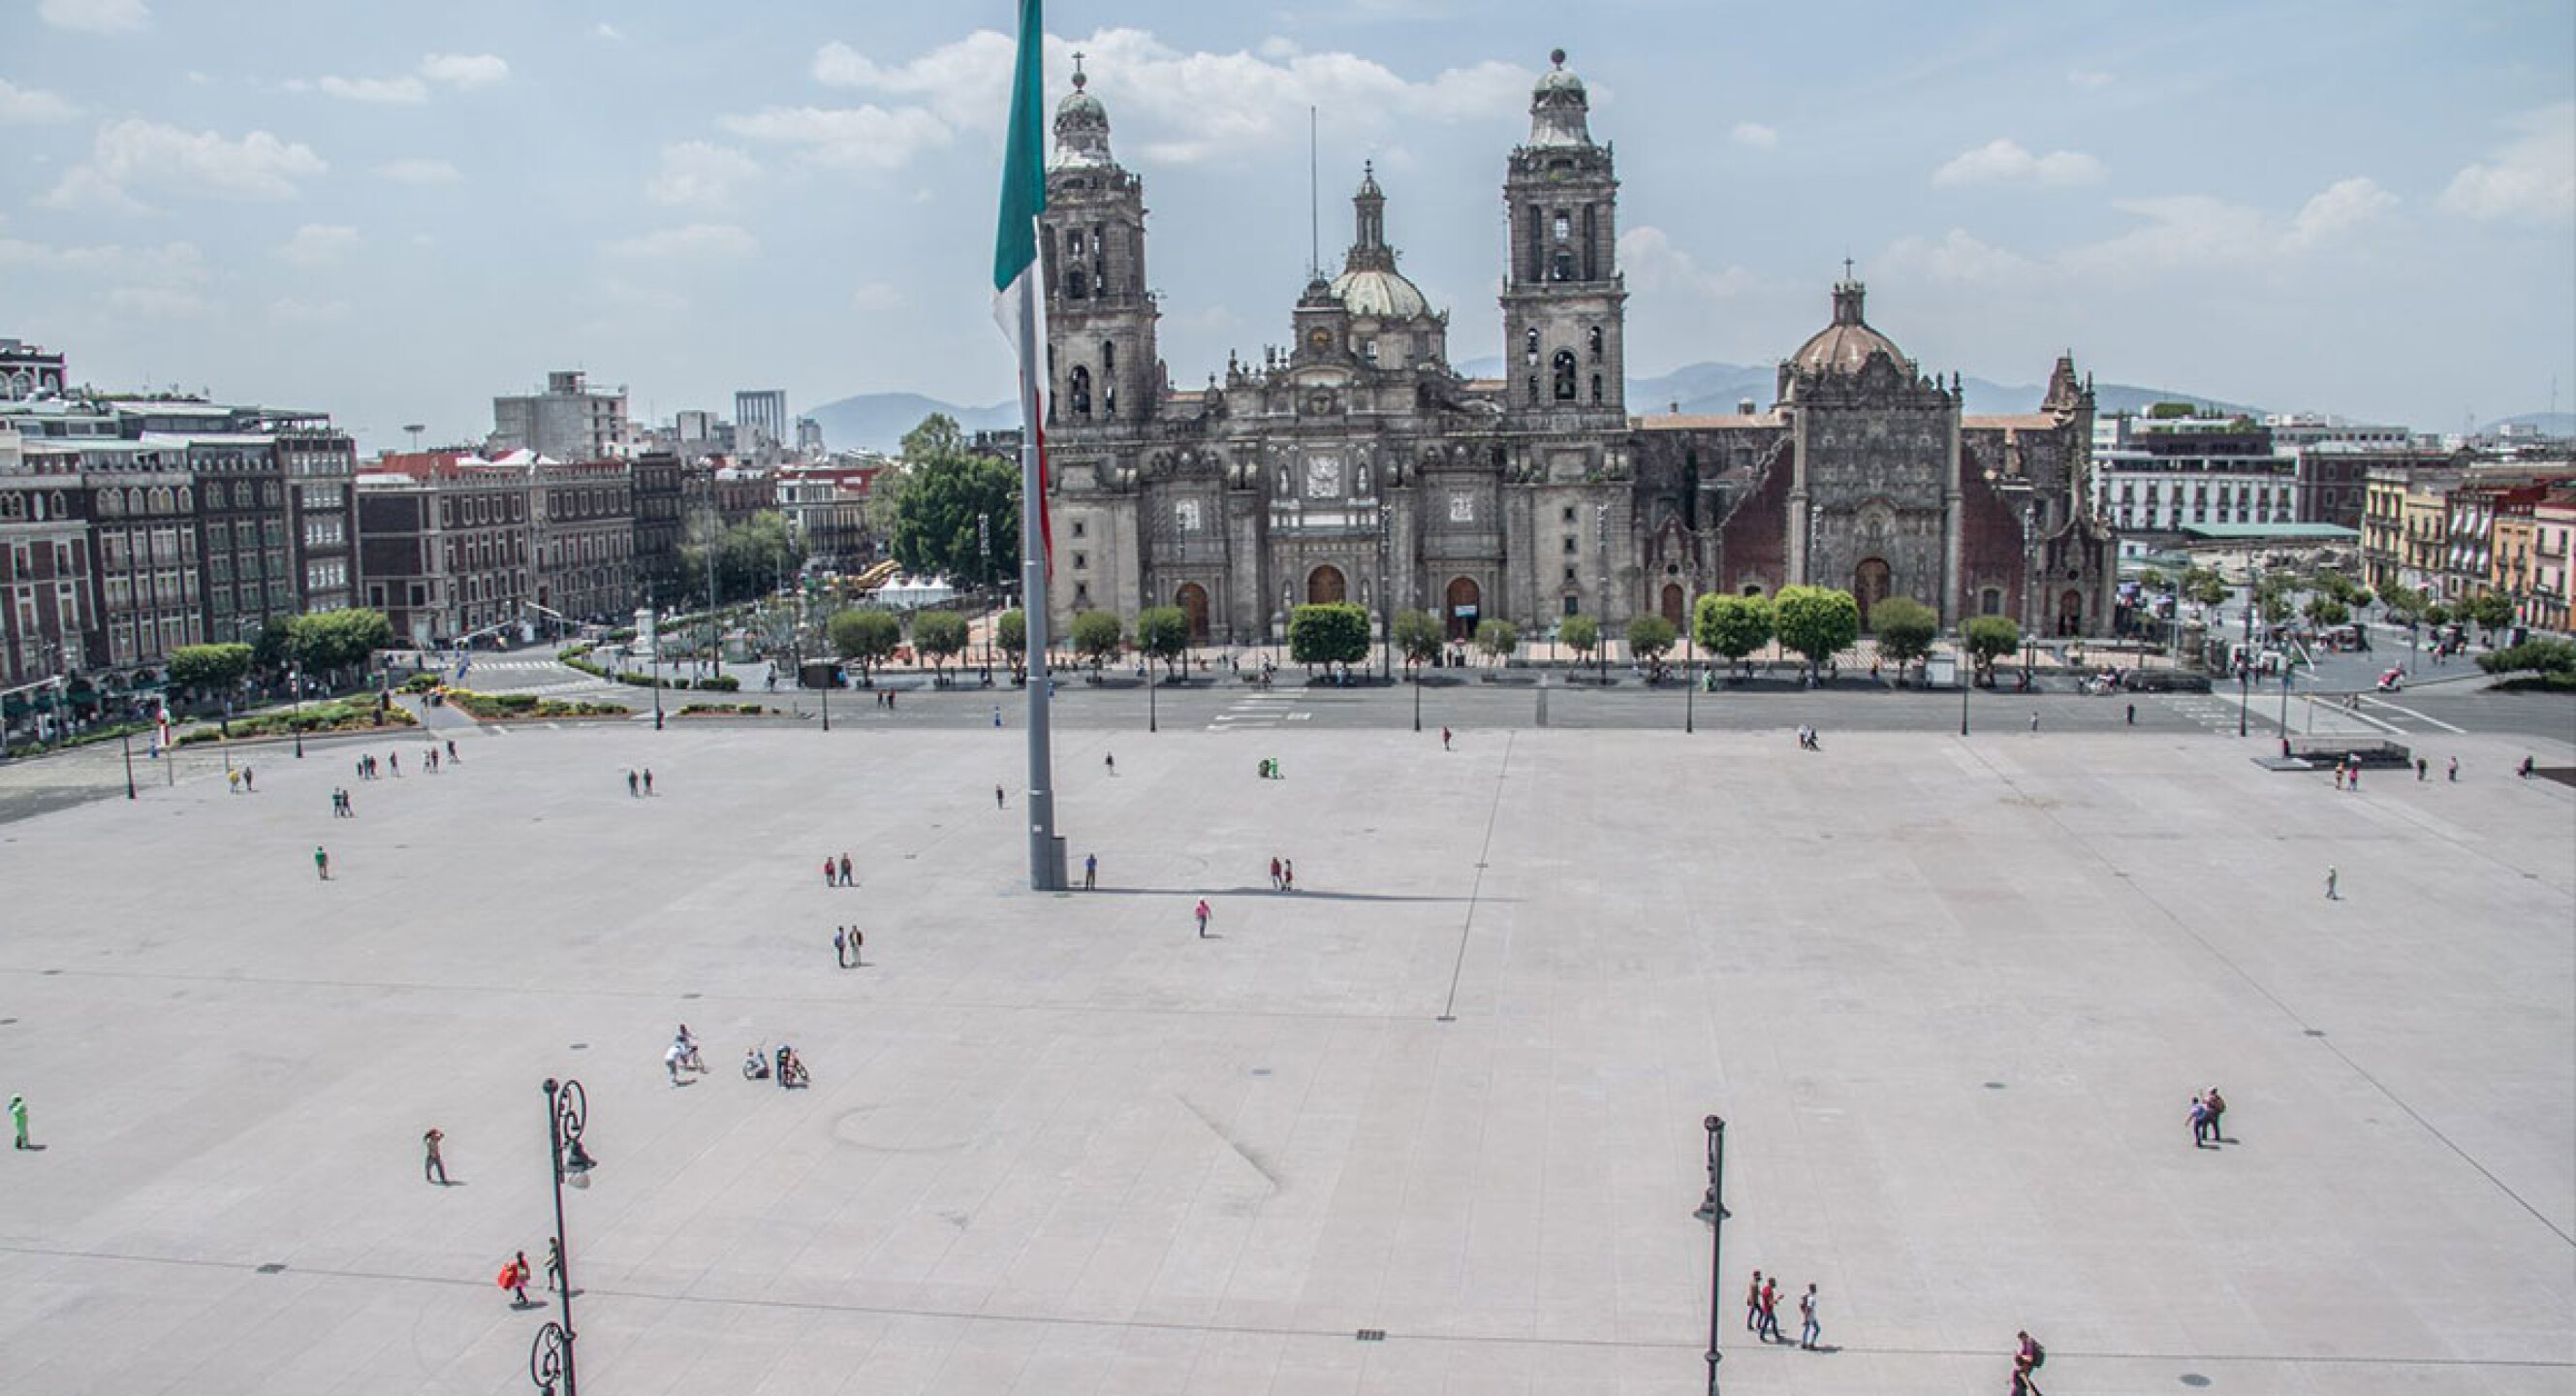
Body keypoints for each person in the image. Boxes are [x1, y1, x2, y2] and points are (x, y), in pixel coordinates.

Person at [1799, 1283, 1821, 1349]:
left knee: (1806, 1330)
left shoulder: (1808, 1296)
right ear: (1813, 1289)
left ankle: (1804, 1343)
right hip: (1810, 1317)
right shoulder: (1811, 1299)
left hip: (1809, 1316)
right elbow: (1808, 1309)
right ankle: (1811, 1343)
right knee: (1817, 1329)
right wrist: (1805, 1319)